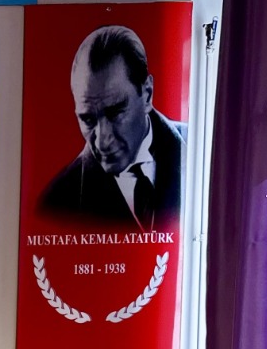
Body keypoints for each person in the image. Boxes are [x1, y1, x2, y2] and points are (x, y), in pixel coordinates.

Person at [38, 25, 186, 230]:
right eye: (88, 119)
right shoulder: (58, 201)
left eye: (115, 112)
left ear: (147, 94)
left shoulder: (203, 152)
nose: (102, 141)